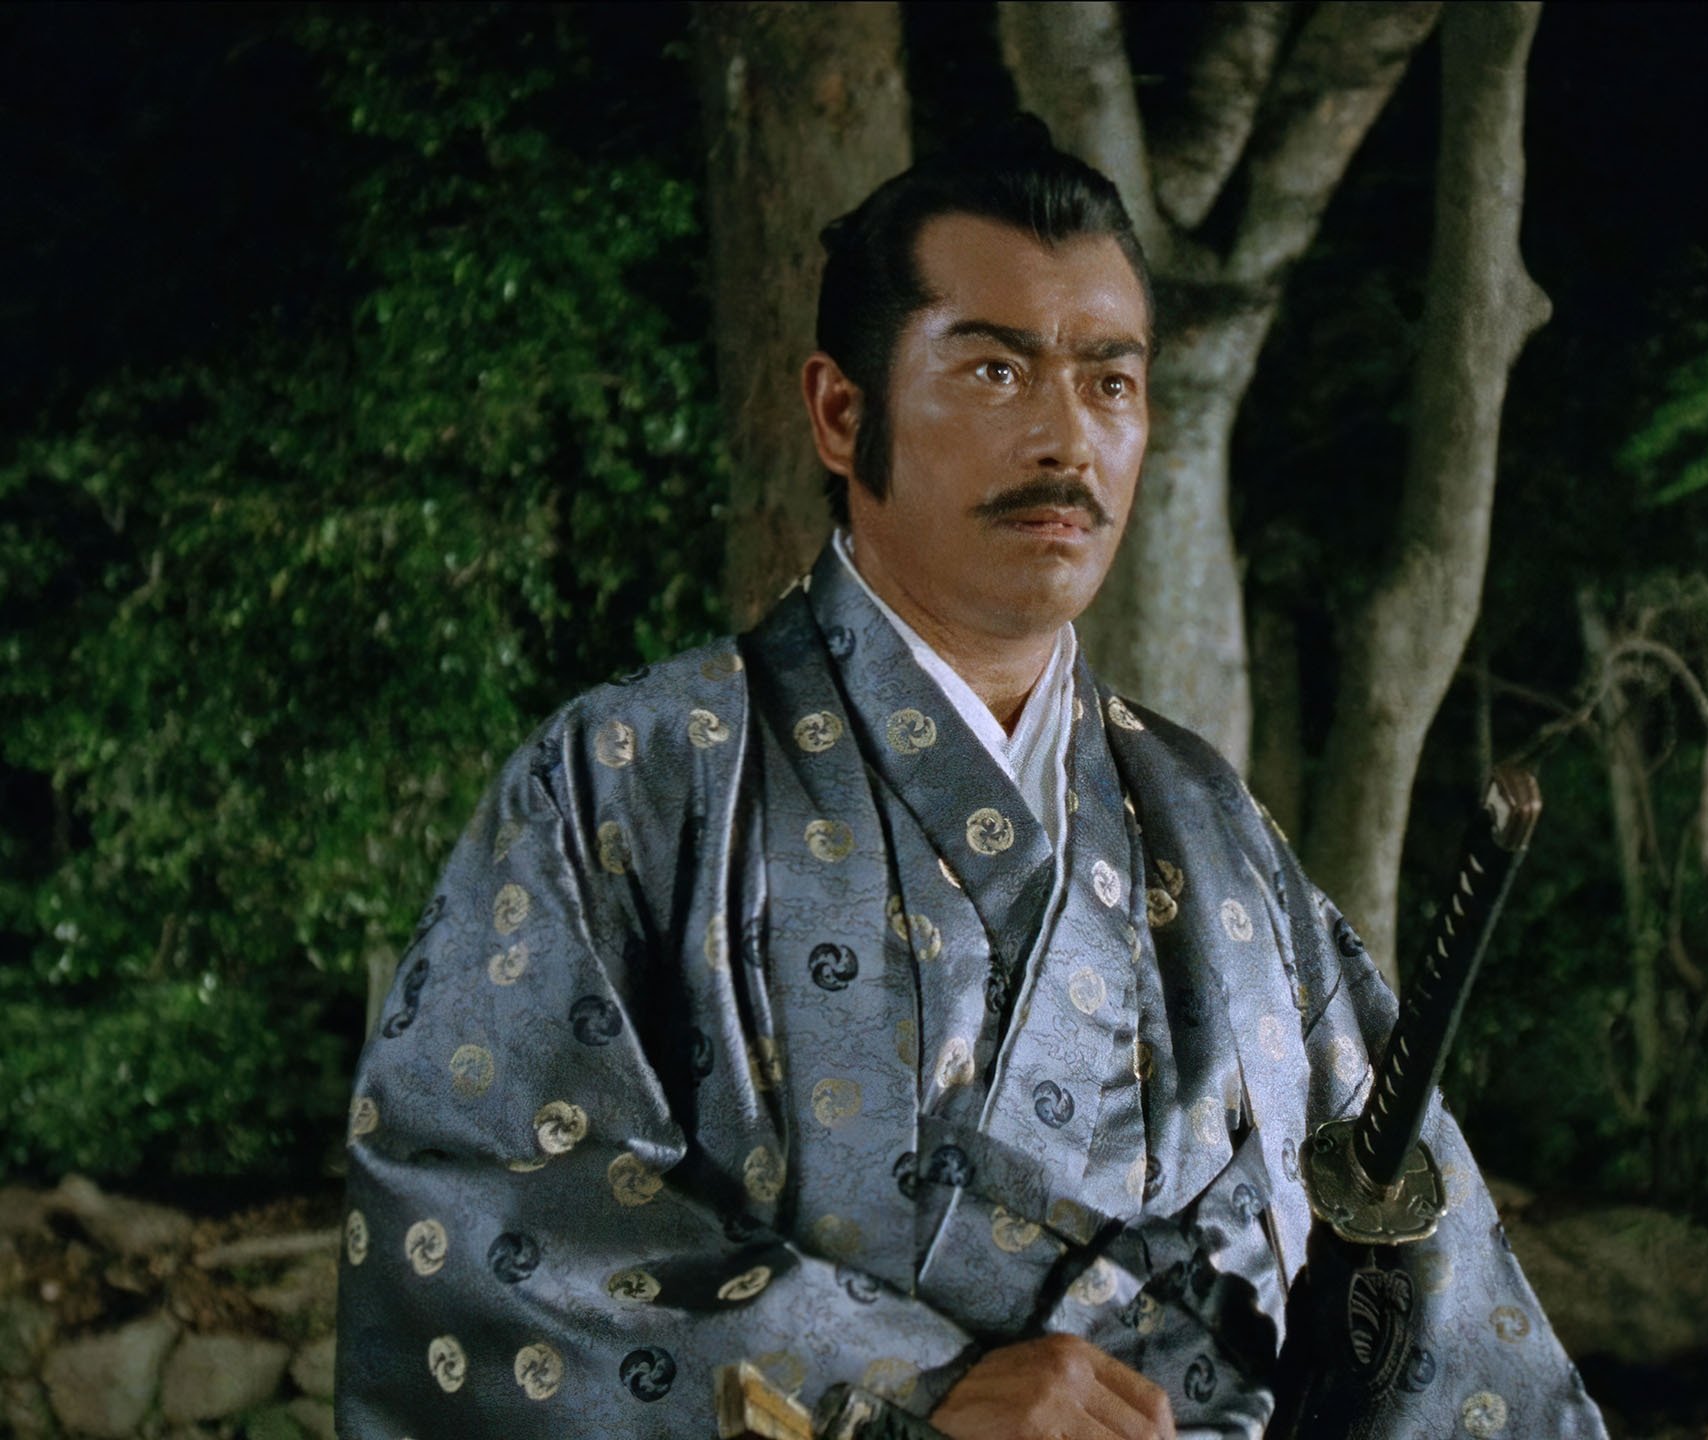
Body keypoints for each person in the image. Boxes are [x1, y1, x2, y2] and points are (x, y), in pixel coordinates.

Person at [337, 122, 1607, 1440]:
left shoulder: (1206, 821)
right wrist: (897, 1383)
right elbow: (478, 1210)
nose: (1067, 440)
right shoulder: (633, 778)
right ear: (843, 414)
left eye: (1110, 383)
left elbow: (1417, 1279)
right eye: (996, 371)